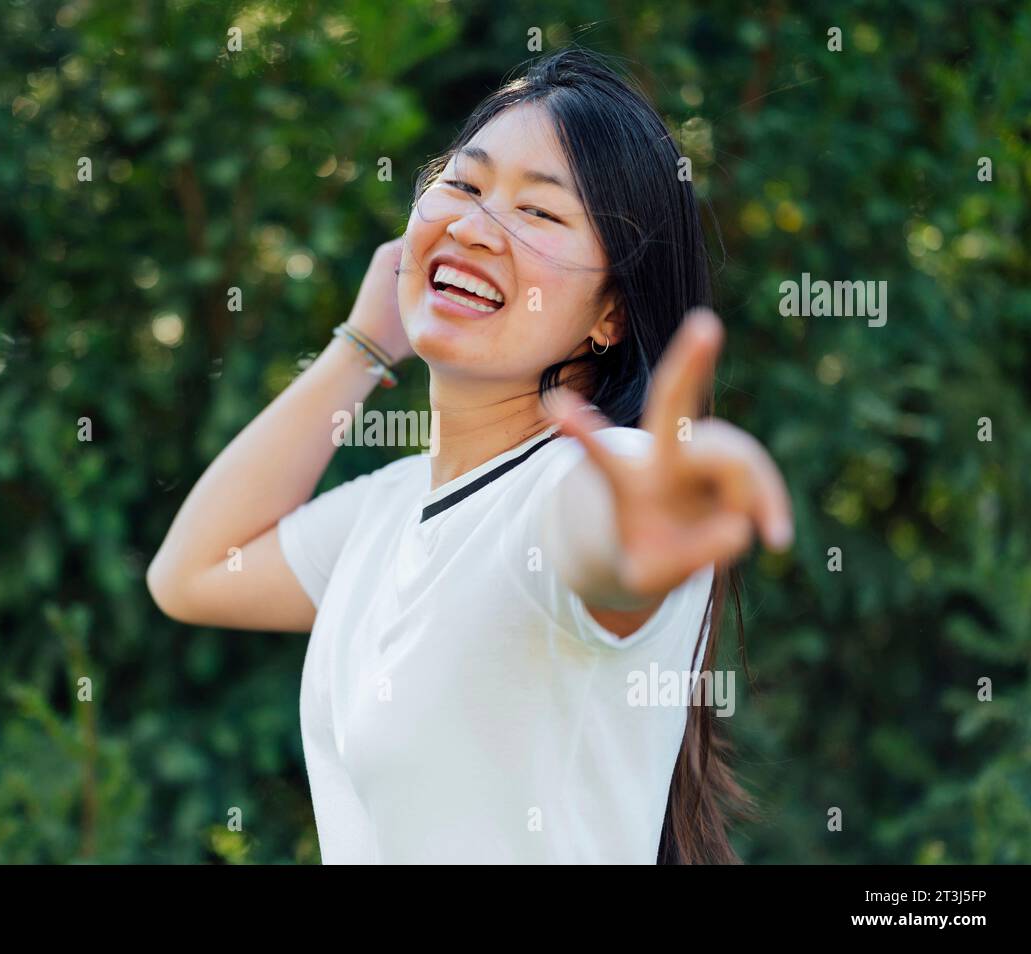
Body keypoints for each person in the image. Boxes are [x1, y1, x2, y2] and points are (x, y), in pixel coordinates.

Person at [148, 47, 793, 864]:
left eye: (541, 213)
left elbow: (600, 545)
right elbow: (192, 572)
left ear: (611, 316)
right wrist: (360, 346)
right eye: (462, 184)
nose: (474, 225)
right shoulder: (390, 506)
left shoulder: (589, 478)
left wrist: (640, 536)